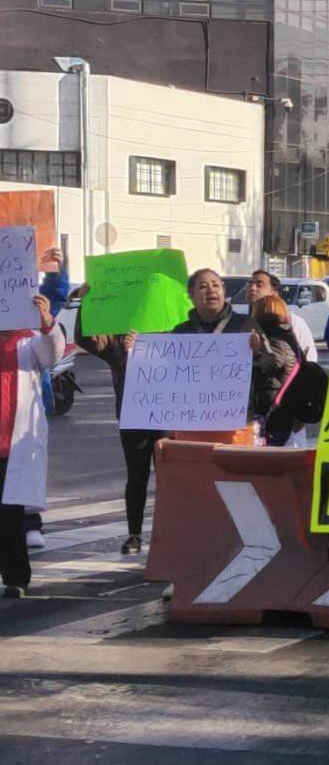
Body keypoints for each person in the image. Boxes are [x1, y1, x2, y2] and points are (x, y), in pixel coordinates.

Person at [74, 303, 162, 555]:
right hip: (134, 416)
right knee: (137, 477)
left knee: (169, 479)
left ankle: (167, 534)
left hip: (170, 417)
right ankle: (134, 534)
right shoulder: (120, 335)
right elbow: (85, 338)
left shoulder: (173, 329)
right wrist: (87, 303)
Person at [154, 268, 264, 445]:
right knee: (195, 463)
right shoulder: (181, 332)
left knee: (235, 464)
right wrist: (136, 350)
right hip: (191, 423)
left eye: (216, 285)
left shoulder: (245, 324)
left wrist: (257, 352)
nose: (211, 290)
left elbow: (271, 366)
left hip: (236, 424)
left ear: (224, 291)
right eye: (203, 286)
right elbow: (164, 374)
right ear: (191, 296)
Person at [0, 295, 62, 597]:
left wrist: (48, 322)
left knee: (9, 513)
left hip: (14, 442)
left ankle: (16, 577)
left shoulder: (29, 337)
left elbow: (53, 356)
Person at [25, 247, 68, 552]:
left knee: (25, 457)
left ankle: (30, 522)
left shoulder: (28, 301)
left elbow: (56, 296)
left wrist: (55, 269)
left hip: (24, 396)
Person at [245, 271, 318, 448]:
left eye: (259, 284)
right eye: (250, 283)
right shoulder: (242, 323)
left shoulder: (294, 323)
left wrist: (302, 413)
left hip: (284, 417)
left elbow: (307, 369)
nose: (252, 288)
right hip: (253, 419)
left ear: (275, 292)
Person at [250, 295, 302, 447]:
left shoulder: (276, 341)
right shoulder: (287, 337)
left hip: (273, 415)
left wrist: (256, 354)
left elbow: (267, 367)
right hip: (281, 413)